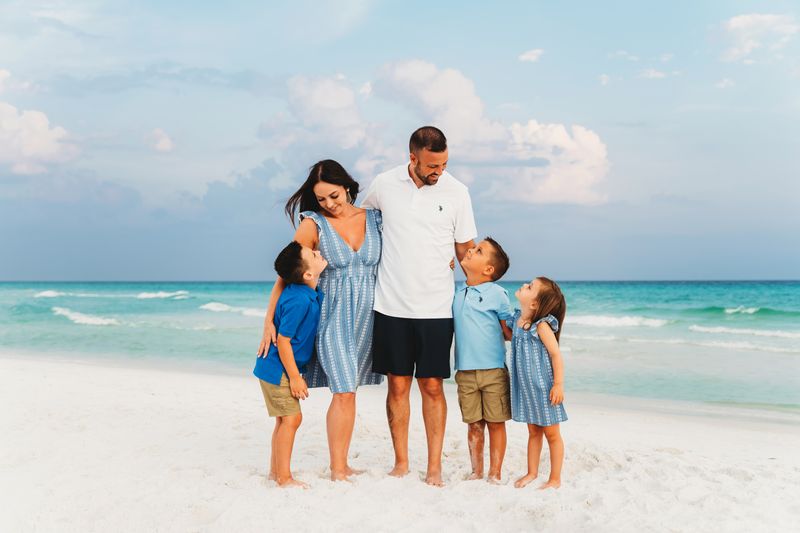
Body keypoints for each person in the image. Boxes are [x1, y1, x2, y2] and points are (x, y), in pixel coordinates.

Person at [361, 126, 477, 486]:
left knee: (431, 386)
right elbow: (359, 222)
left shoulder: (457, 192)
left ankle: (434, 467)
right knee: (397, 386)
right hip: (391, 304)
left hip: (437, 309)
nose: (437, 171)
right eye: (431, 165)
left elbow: (466, 250)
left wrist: (487, 304)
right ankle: (400, 462)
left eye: (442, 164)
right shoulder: (384, 184)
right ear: (412, 157)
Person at [258, 160, 384, 482]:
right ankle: (338, 469)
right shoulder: (313, 224)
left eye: (333, 196)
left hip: (367, 321)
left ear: (346, 187)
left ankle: (341, 463)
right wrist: (269, 321)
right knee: (343, 390)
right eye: (322, 199)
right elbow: (286, 275)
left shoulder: (375, 217)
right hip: (332, 320)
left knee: (350, 391)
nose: (328, 204)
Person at [253, 241, 327, 488]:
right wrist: (295, 377)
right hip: (278, 368)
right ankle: (284, 477)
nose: (318, 253)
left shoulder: (307, 293)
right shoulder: (298, 300)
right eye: (313, 255)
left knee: (284, 420)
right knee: (292, 419)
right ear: (307, 274)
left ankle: (276, 473)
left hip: (273, 367)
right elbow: (283, 341)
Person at [452, 238, 513, 483]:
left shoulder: (498, 294)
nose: (470, 250)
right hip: (465, 371)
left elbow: (508, 331)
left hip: (494, 371)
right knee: (474, 424)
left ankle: (495, 473)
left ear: (488, 269)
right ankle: (477, 471)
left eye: (478, 251)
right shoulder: (457, 292)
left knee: (496, 423)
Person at [506, 277, 568, 490]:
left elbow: (556, 355)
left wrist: (558, 384)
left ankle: (555, 479)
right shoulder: (516, 321)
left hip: (544, 388)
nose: (524, 285)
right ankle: (532, 472)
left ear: (534, 303)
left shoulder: (541, 327)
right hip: (526, 388)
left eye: (530, 286)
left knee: (552, 434)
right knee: (533, 432)